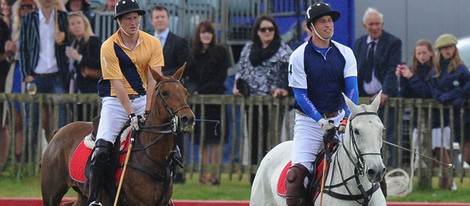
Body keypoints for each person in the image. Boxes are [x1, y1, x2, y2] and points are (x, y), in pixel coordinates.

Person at [89, 0, 164, 204]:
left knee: (168, 143)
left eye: (136, 17)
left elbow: (153, 79)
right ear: (119, 22)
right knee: (102, 148)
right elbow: (117, 84)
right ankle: (94, 199)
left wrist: (148, 109)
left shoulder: (153, 42)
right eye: (128, 18)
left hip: (144, 99)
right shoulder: (108, 46)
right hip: (115, 102)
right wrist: (131, 115)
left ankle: (166, 194)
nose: (133, 22)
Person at [284, 3, 358, 205]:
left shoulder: (345, 53)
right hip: (309, 123)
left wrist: (345, 119)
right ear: (311, 27)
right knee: (296, 177)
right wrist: (320, 121)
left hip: (340, 117)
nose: (328, 25)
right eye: (322, 21)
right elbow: (300, 95)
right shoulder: (298, 55)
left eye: (330, 20)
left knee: (367, 164)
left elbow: (352, 91)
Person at [232, 14, 292, 184]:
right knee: (253, 141)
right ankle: (254, 179)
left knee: (271, 141)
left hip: (274, 104)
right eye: (263, 29)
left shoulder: (284, 50)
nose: (267, 32)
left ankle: (270, 179)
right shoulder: (248, 49)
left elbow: (291, 73)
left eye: (270, 29)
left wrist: (284, 89)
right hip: (252, 103)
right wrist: (237, 86)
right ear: (257, 32)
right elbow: (241, 71)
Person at [353, 7, 402, 167]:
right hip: (365, 98)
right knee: (365, 134)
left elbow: (391, 68)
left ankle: (391, 166)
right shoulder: (359, 44)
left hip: (385, 98)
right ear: (364, 26)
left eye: (377, 24)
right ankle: (365, 165)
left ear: (382, 24)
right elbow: (356, 69)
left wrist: (385, 93)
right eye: (371, 24)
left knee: (388, 133)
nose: (374, 28)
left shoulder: (393, 42)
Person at [185, 21, 230, 185]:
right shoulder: (193, 54)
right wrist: (194, 90)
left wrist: (201, 91)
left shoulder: (221, 52)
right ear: (198, 34)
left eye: (209, 32)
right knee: (202, 140)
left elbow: (221, 77)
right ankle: (203, 175)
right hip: (199, 104)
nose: (206, 35)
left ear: (213, 35)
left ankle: (215, 175)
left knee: (216, 140)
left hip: (216, 102)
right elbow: (189, 77)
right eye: (203, 32)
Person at [19, 0, 69, 143]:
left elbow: (69, 44)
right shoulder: (29, 18)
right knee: (32, 119)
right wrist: (25, 74)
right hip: (35, 76)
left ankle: (60, 159)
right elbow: (23, 47)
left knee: (61, 119)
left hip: (57, 75)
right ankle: (30, 160)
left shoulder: (62, 17)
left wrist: (64, 38)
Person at [150, 4, 189, 183]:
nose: (159, 20)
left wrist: (163, 77)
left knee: (177, 129)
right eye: (156, 17)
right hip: (153, 91)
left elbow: (183, 65)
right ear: (152, 20)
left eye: (162, 17)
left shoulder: (179, 41)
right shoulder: (147, 42)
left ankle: (176, 166)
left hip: (171, 92)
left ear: (167, 19)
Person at [428, 34, 470, 190]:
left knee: (467, 155)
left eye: (450, 47)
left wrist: (450, 97)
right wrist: (455, 97)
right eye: (444, 48)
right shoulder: (435, 71)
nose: (447, 50)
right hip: (443, 118)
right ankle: (446, 184)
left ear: (455, 49)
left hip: (464, 118)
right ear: (439, 51)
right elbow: (436, 94)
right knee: (439, 151)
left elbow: (467, 90)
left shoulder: (462, 69)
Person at [66, 11, 101, 94]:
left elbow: (100, 62)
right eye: (72, 24)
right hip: (77, 87)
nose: (76, 26)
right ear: (69, 29)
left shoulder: (93, 41)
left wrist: (79, 57)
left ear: (85, 25)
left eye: (79, 23)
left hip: (92, 88)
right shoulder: (73, 44)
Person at [0, 0, 14, 167]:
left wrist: (8, 54)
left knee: (3, 125)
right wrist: (8, 53)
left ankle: (2, 163)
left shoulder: (3, 26)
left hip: (4, 80)